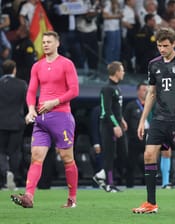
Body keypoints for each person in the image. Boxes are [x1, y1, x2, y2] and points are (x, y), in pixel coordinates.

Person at [132, 27, 175, 215]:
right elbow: (151, 93)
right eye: (159, 46)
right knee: (149, 155)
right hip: (159, 120)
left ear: (174, 44)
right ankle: (151, 203)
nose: (162, 49)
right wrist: (143, 120)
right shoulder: (154, 64)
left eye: (165, 46)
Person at [10, 31, 79, 208]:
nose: (45, 44)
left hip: (61, 117)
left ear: (57, 43)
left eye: (49, 42)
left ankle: (72, 200)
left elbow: (74, 91)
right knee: (36, 157)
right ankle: (28, 197)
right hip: (41, 119)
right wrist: (31, 110)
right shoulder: (37, 66)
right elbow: (31, 91)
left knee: (67, 158)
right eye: (44, 42)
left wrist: (54, 102)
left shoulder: (66, 64)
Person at [92, 61, 127, 192]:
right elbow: (106, 110)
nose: (123, 73)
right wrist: (115, 125)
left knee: (121, 154)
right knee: (109, 155)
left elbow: (116, 108)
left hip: (116, 124)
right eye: (122, 70)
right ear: (116, 72)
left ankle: (100, 175)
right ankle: (109, 184)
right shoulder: (107, 88)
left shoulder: (117, 88)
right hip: (108, 126)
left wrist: (122, 119)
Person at [0, 60, 27, 190]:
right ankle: (12, 175)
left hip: (1, 124)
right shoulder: (22, 85)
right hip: (17, 123)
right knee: (15, 152)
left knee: (1, 152)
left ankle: (4, 174)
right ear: (14, 70)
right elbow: (28, 102)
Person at [123, 82, 148, 188]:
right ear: (138, 91)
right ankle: (129, 185)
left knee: (149, 162)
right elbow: (125, 122)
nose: (145, 92)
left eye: (147, 90)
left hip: (148, 138)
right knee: (131, 163)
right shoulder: (131, 106)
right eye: (143, 90)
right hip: (134, 138)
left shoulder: (151, 104)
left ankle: (148, 184)